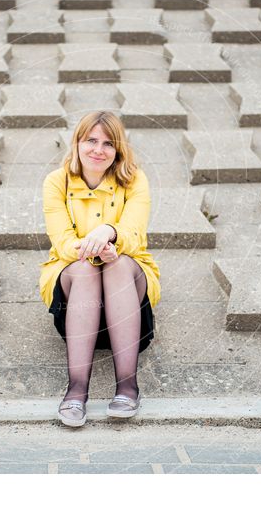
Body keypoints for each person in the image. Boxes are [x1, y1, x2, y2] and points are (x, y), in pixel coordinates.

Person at [40, 111, 160, 427]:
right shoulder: (57, 182)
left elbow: (134, 234)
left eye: (108, 143)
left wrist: (109, 233)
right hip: (75, 294)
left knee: (118, 266)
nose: (98, 150)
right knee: (84, 269)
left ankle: (127, 387)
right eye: (91, 140)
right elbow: (63, 241)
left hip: (129, 298)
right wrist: (94, 251)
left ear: (118, 150)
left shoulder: (135, 180)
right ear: (77, 143)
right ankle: (76, 391)